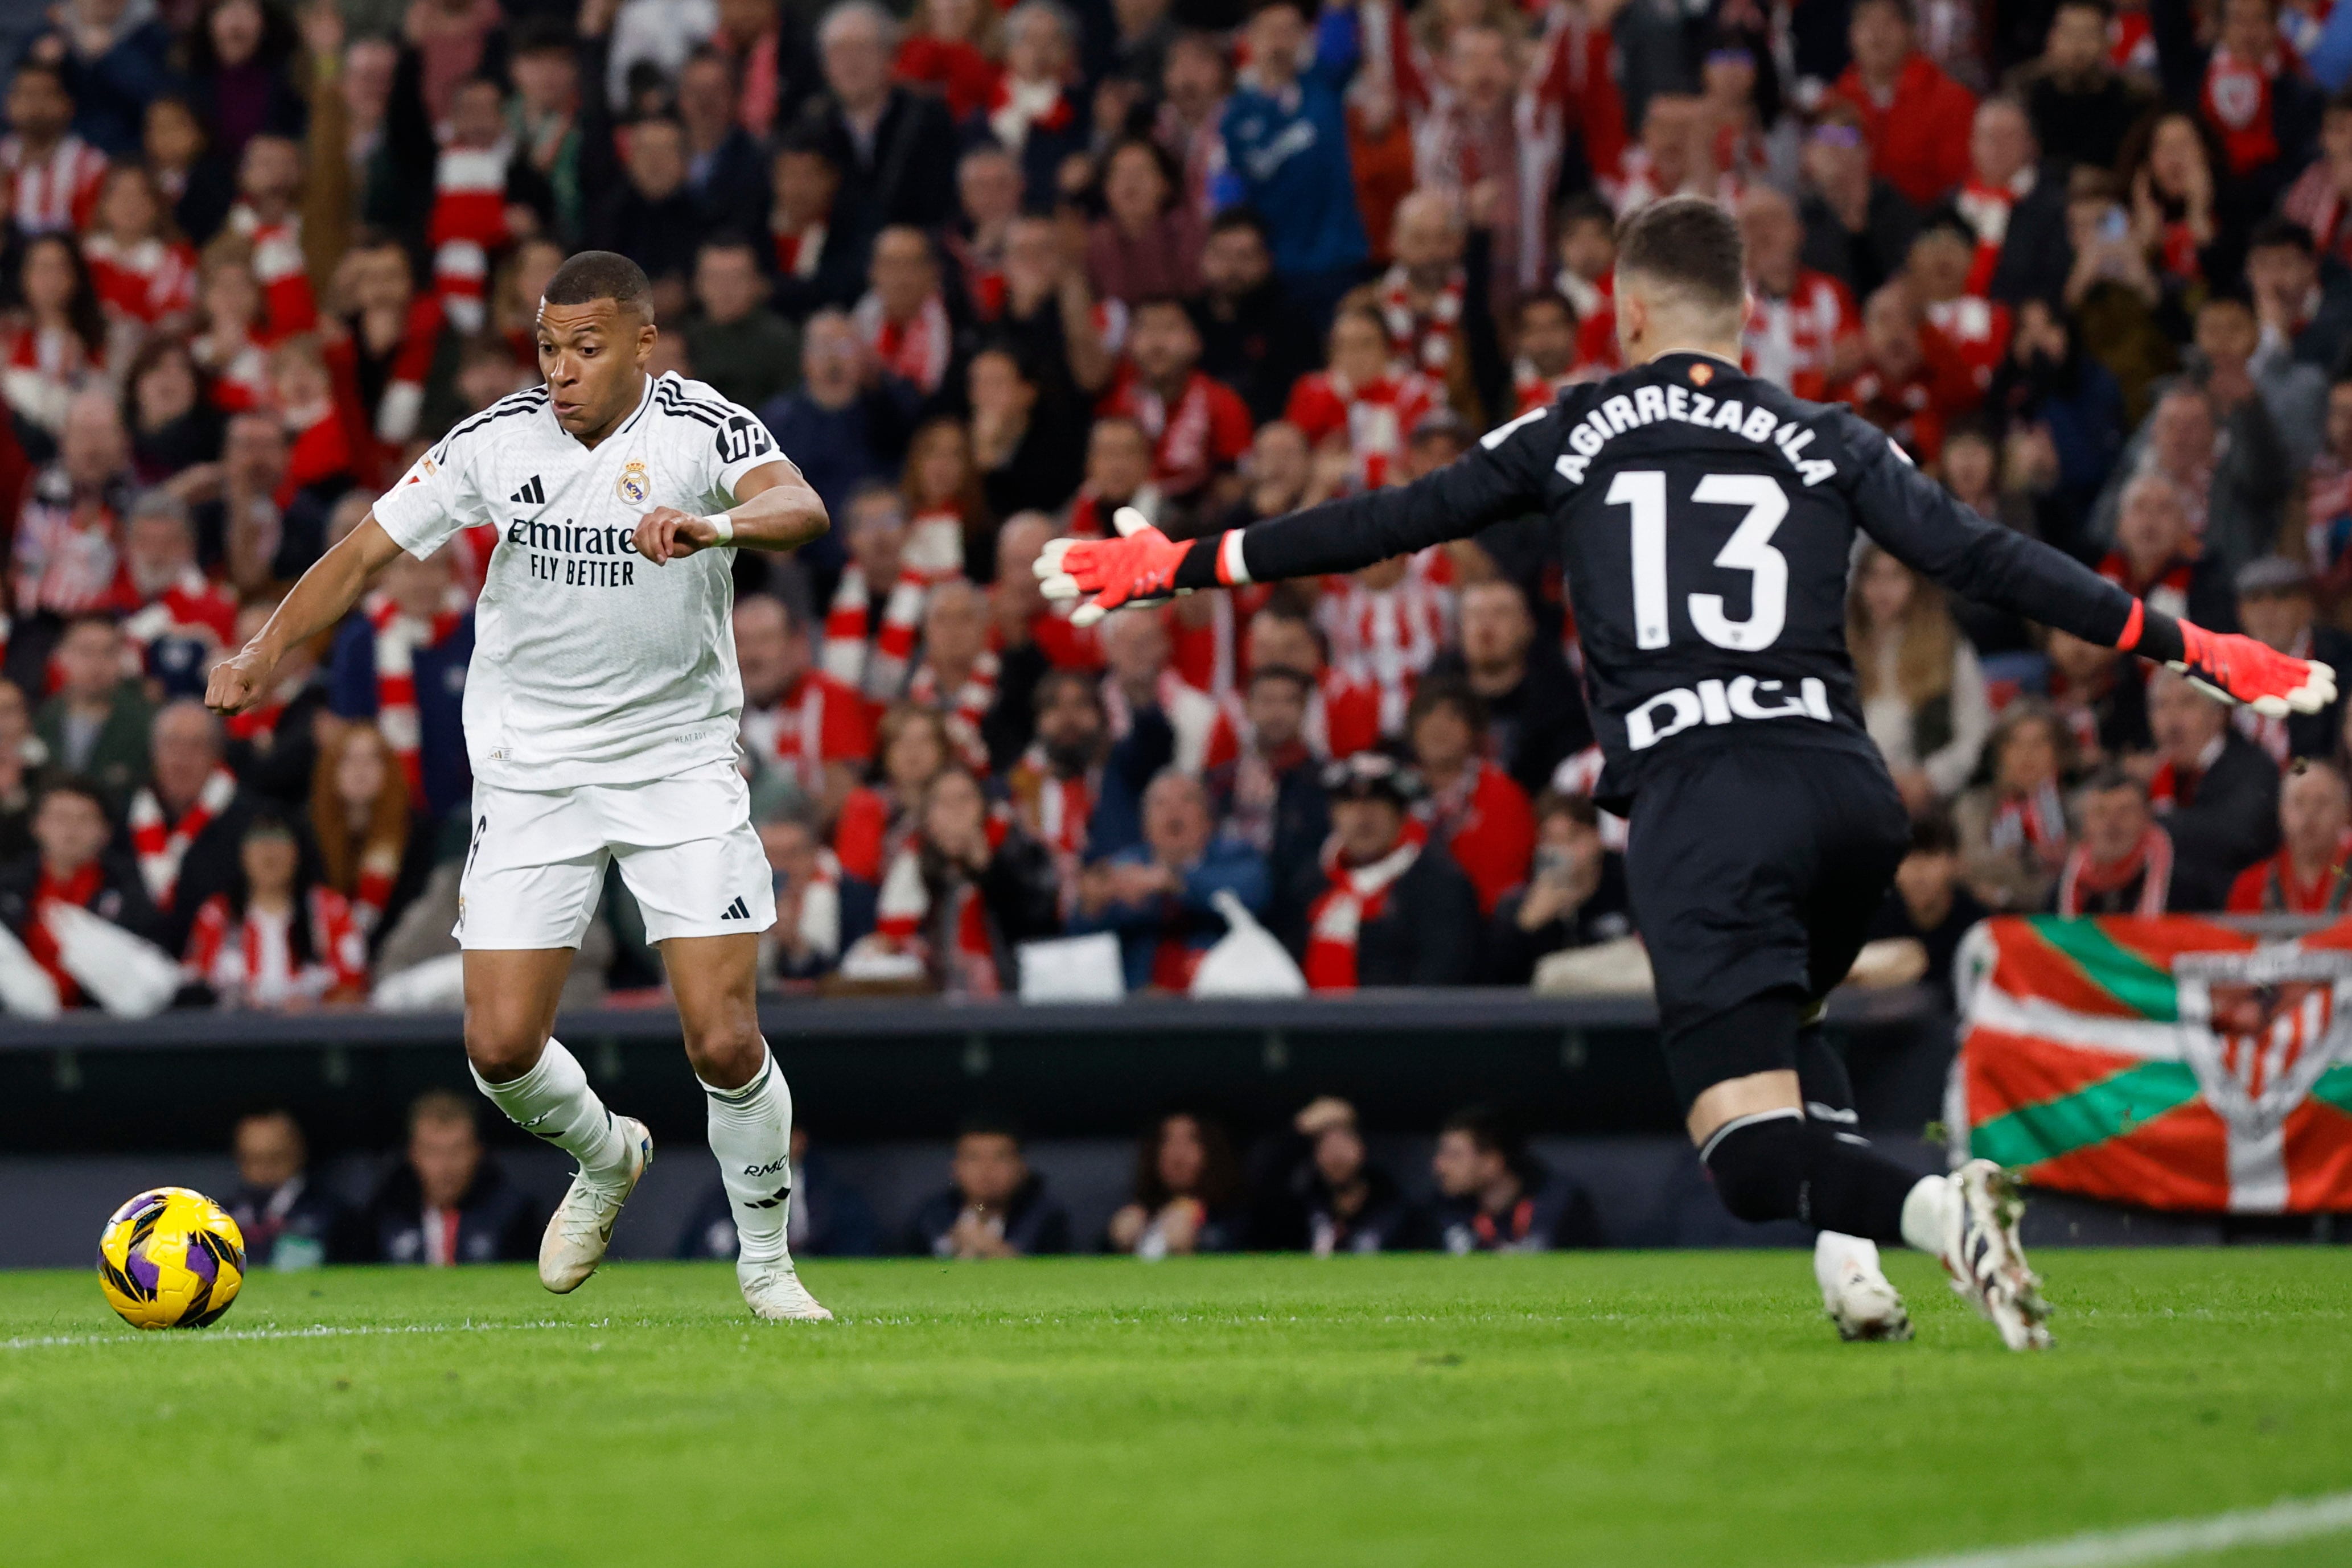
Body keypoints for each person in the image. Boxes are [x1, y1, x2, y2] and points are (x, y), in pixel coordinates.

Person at [1040, 195, 2337, 1351]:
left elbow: (1386, 522)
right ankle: (1852, 1266)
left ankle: (1941, 1212)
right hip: (1847, 792)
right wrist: (2195, 645)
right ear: (1748, 312)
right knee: (1793, 1031)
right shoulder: (1828, 432)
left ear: (1625, 304)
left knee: (1741, 1152)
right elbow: (1988, 557)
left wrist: (1185, 560)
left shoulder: (1576, 424)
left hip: (1704, 794)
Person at [205, 251, 837, 1322]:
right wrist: (268, 650)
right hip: (534, 770)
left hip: (675, 759)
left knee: (723, 1038)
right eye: (548, 346)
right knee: (498, 1046)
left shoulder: (702, 427)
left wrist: (713, 525)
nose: (561, 369)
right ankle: (605, 1155)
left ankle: (768, 1264)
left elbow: (803, 507)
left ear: (644, 342)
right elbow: (364, 552)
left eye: (586, 348)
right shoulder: (495, 440)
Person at [1070, 768, 1270, 993]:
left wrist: (1172, 882)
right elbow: (1079, 934)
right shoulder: (1124, 867)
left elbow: (1252, 894)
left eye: (1187, 800)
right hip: (1138, 1005)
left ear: (1207, 820)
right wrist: (1092, 906)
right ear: (1145, 825)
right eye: (1161, 803)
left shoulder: (1236, 856)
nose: (1174, 811)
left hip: (1216, 999)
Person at [1302, 751, 1480, 989]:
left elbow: (1440, 980)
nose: (1362, 816)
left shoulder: (1440, 886)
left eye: (1377, 802)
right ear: (1332, 814)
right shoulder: (1311, 883)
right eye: (1349, 803)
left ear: (1400, 814)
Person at [181, 812, 369, 1009]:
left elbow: (355, 991)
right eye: (259, 844)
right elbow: (195, 990)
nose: (269, 853)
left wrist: (317, 1007)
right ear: (242, 854)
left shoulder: (330, 911)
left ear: (297, 852)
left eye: (280, 843)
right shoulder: (216, 915)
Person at [2146, 666, 2281, 909]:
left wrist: (2153, 824)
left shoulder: (2253, 767)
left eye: (2187, 704)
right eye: (2161, 706)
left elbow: (2239, 837)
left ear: (2219, 714)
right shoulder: (2150, 779)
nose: (2172, 719)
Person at [364, 1089, 542, 1267]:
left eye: (457, 1151)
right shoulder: (382, 1216)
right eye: (433, 1151)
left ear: (477, 1152)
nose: (446, 1167)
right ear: (413, 1154)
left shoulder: (514, 1216)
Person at [1482, 791, 1632, 986]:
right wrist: (1525, 926)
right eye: (1551, 840)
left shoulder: (1628, 889)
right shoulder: (1516, 905)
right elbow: (1492, 980)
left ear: (1596, 838)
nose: (1562, 850)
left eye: (1572, 838)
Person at [1427, 1106, 1601, 1253]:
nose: (1439, 1165)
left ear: (1491, 1162)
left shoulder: (1559, 1204)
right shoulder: (1441, 1210)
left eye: (1454, 1155)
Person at [1257, 1096, 1416, 1255]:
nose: (1336, 1157)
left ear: (1361, 1148)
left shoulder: (1392, 1206)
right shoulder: (1303, 1205)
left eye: (1343, 1145)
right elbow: (1265, 1191)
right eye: (1327, 1147)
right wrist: (1298, 1130)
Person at [1865, 813, 1987, 1010]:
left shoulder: (1978, 927)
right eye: (1907, 857)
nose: (1918, 871)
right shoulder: (1875, 919)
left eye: (1931, 856)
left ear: (1955, 863)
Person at [904, 1121, 1074, 1258]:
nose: (987, 1169)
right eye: (973, 1158)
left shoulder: (1045, 1218)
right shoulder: (931, 1216)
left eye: (1000, 1158)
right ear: (956, 1168)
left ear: (1021, 1168)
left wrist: (997, 1251)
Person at [222, 1108, 353, 1269]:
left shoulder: (332, 1217)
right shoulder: (219, 1217)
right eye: (252, 1160)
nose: (262, 1170)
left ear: (299, 1153)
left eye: (275, 1159)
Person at [1108, 1110, 1244, 1257]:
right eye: (1167, 1141)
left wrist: (1198, 1243)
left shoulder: (1235, 1213)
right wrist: (1118, 1243)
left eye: (1192, 1141)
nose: (1178, 1156)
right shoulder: (1140, 1209)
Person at [2056, 767, 2178, 916]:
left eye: (2125, 811)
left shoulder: (2182, 888)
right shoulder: (2061, 892)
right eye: (2101, 813)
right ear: (2084, 825)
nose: (2112, 823)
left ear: (2146, 818)